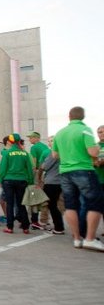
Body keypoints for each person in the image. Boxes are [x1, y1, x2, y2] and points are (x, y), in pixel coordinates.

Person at [52, 107, 104, 251]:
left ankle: (76, 239)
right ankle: (90, 238)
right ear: (83, 116)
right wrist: (96, 150)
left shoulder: (60, 133)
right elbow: (92, 151)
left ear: (69, 116)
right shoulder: (85, 130)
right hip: (83, 170)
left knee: (71, 205)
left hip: (65, 172)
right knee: (95, 203)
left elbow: (55, 155)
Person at [0, 133, 34, 234]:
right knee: (21, 204)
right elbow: (29, 169)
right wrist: (31, 182)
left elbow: (3, 169)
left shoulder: (7, 153)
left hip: (8, 181)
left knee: (10, 204)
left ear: (11, 141)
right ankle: (25, 227)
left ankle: (10, 227)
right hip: (22, 181)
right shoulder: (24, 153)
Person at [36, 136, 65, 235]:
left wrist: (39, 178)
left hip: (52, 182)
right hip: (61, 181)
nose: (50, 143)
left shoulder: (54, 153)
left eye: (52, 141)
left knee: (51, 205)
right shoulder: (64, 152)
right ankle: (58, 225)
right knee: (56, 205)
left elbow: (44, 166)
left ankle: (58, 227)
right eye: (49, 141)